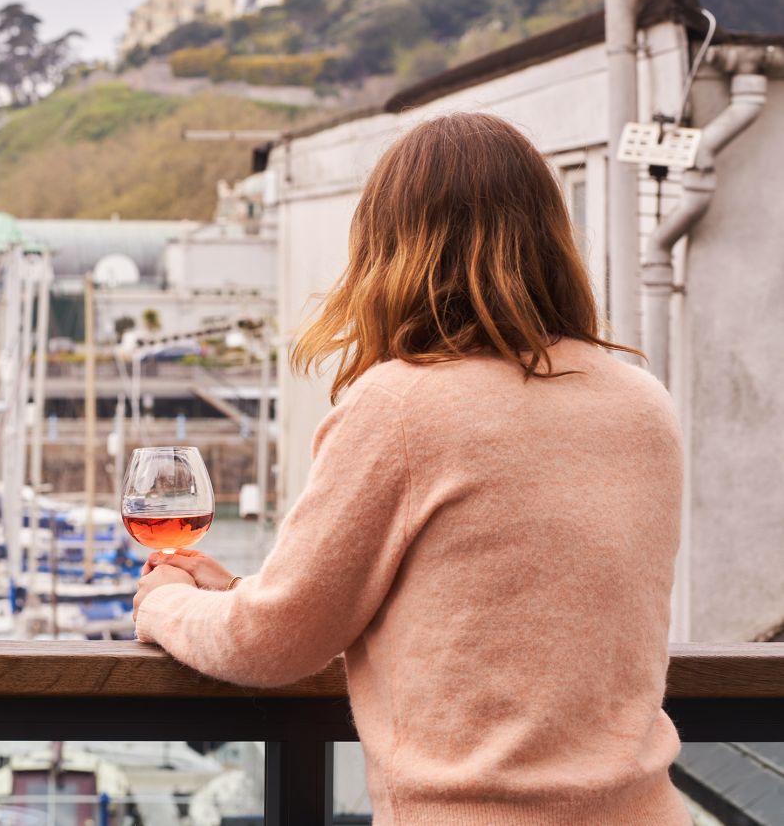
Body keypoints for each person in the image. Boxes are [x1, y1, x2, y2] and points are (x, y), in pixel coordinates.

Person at [133, 113, 689, 825]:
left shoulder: (400, 404)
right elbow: (499, 605)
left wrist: (166, 605)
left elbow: (275, 644)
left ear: (387, 248)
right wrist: (243, 590)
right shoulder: (643, 402)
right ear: (552, 236)